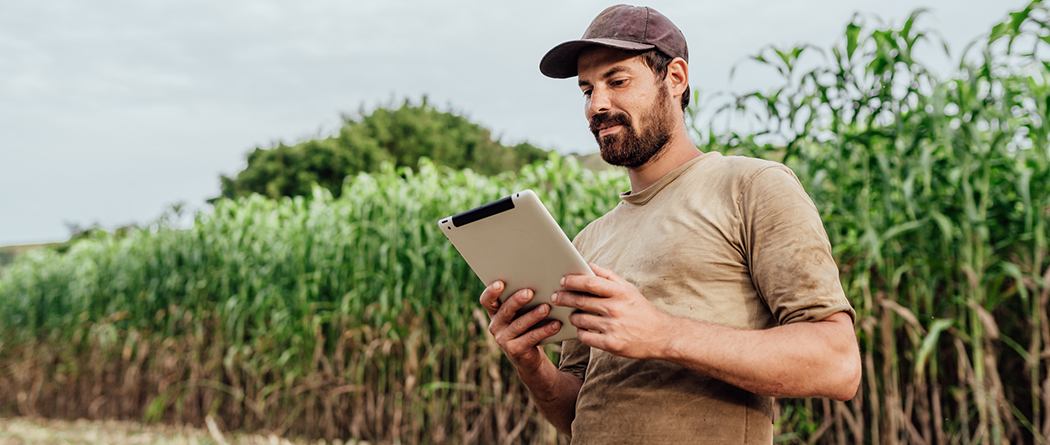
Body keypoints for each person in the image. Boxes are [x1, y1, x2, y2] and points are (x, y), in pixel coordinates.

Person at [478, 4, 861, 443]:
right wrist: (530, 363)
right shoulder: (588, 241)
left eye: (617, 81)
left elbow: (837, 364)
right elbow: (577, 412)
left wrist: (662, 334)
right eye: (587, 90)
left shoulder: (752, 187)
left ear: (675, 79)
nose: (597, 105)